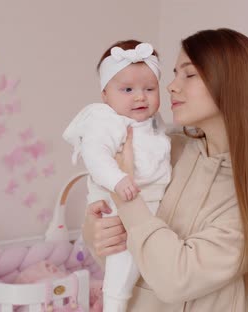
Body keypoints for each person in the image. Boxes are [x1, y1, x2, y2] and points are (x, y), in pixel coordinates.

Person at [83, 28, 248, 312]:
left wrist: (127, 198)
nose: (170, 86)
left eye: (189, 74)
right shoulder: (166, 150)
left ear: (232, 84)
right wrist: (97, 234)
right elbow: (124, 257)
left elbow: (174, 280)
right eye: (173, 73)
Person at [62, 40, 171, 312]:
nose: (140, 97)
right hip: (118, 197)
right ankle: (113, 305)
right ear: (105, 95)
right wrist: (118, 179)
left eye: (149, 88)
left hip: (148, 203)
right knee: (123, 260)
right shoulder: (107, 121)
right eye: (127, 89)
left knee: (144, 261)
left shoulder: (154, 123)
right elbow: (95, 155)